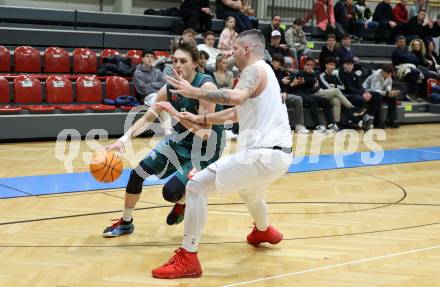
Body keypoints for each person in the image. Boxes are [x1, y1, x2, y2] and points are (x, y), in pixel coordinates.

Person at [152, 29, 293, 279]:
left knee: (195, 186)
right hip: (278, 156)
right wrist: (199, 117)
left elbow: (236, 98)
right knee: (250, 192)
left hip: (262, 154)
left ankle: (188, 258)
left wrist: (194, 92)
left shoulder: (254, 70)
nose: (230, 52)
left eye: (235, 48)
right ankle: (263, 230)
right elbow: (235, 113)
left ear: (247, 49)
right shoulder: (266, 73)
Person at [101, 38, 225, 237]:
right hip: (180, 141)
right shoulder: (168, 89)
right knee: (137, 174)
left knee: (171, 193)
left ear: (195, 63)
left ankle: (182, 204)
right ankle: (126, 222)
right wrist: (123, 140)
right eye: (174, 61)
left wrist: (174, 114)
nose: (177, 65)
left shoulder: (206, 87)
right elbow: (148, 117)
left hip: (204, 149)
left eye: (183, 61)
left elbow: (204, 133)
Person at [270, 54, 309, 133]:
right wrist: (282, 82)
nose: (280, 65)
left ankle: (299, 125)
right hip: (270, 95)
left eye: (281, 63)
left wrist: (284, 92)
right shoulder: (268, 71)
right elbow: (269, 84)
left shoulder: (280, 71)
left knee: (298, 99)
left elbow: (283, 86)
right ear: (273, 62)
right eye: (279, 62)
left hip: (280, 94)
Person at [362, 64, 400, 128]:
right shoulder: (375, 75)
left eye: (390, 74)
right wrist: (387, 93)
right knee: (378, 98)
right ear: (383, 71)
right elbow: (375, 91)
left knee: (392, 98)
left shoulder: (389, 75)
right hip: (368, 93)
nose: (388, 75)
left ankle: (391, 121)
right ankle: (377, 122)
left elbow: (389, 85)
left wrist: (390, 92)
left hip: (380, 93)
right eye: (387, 73)